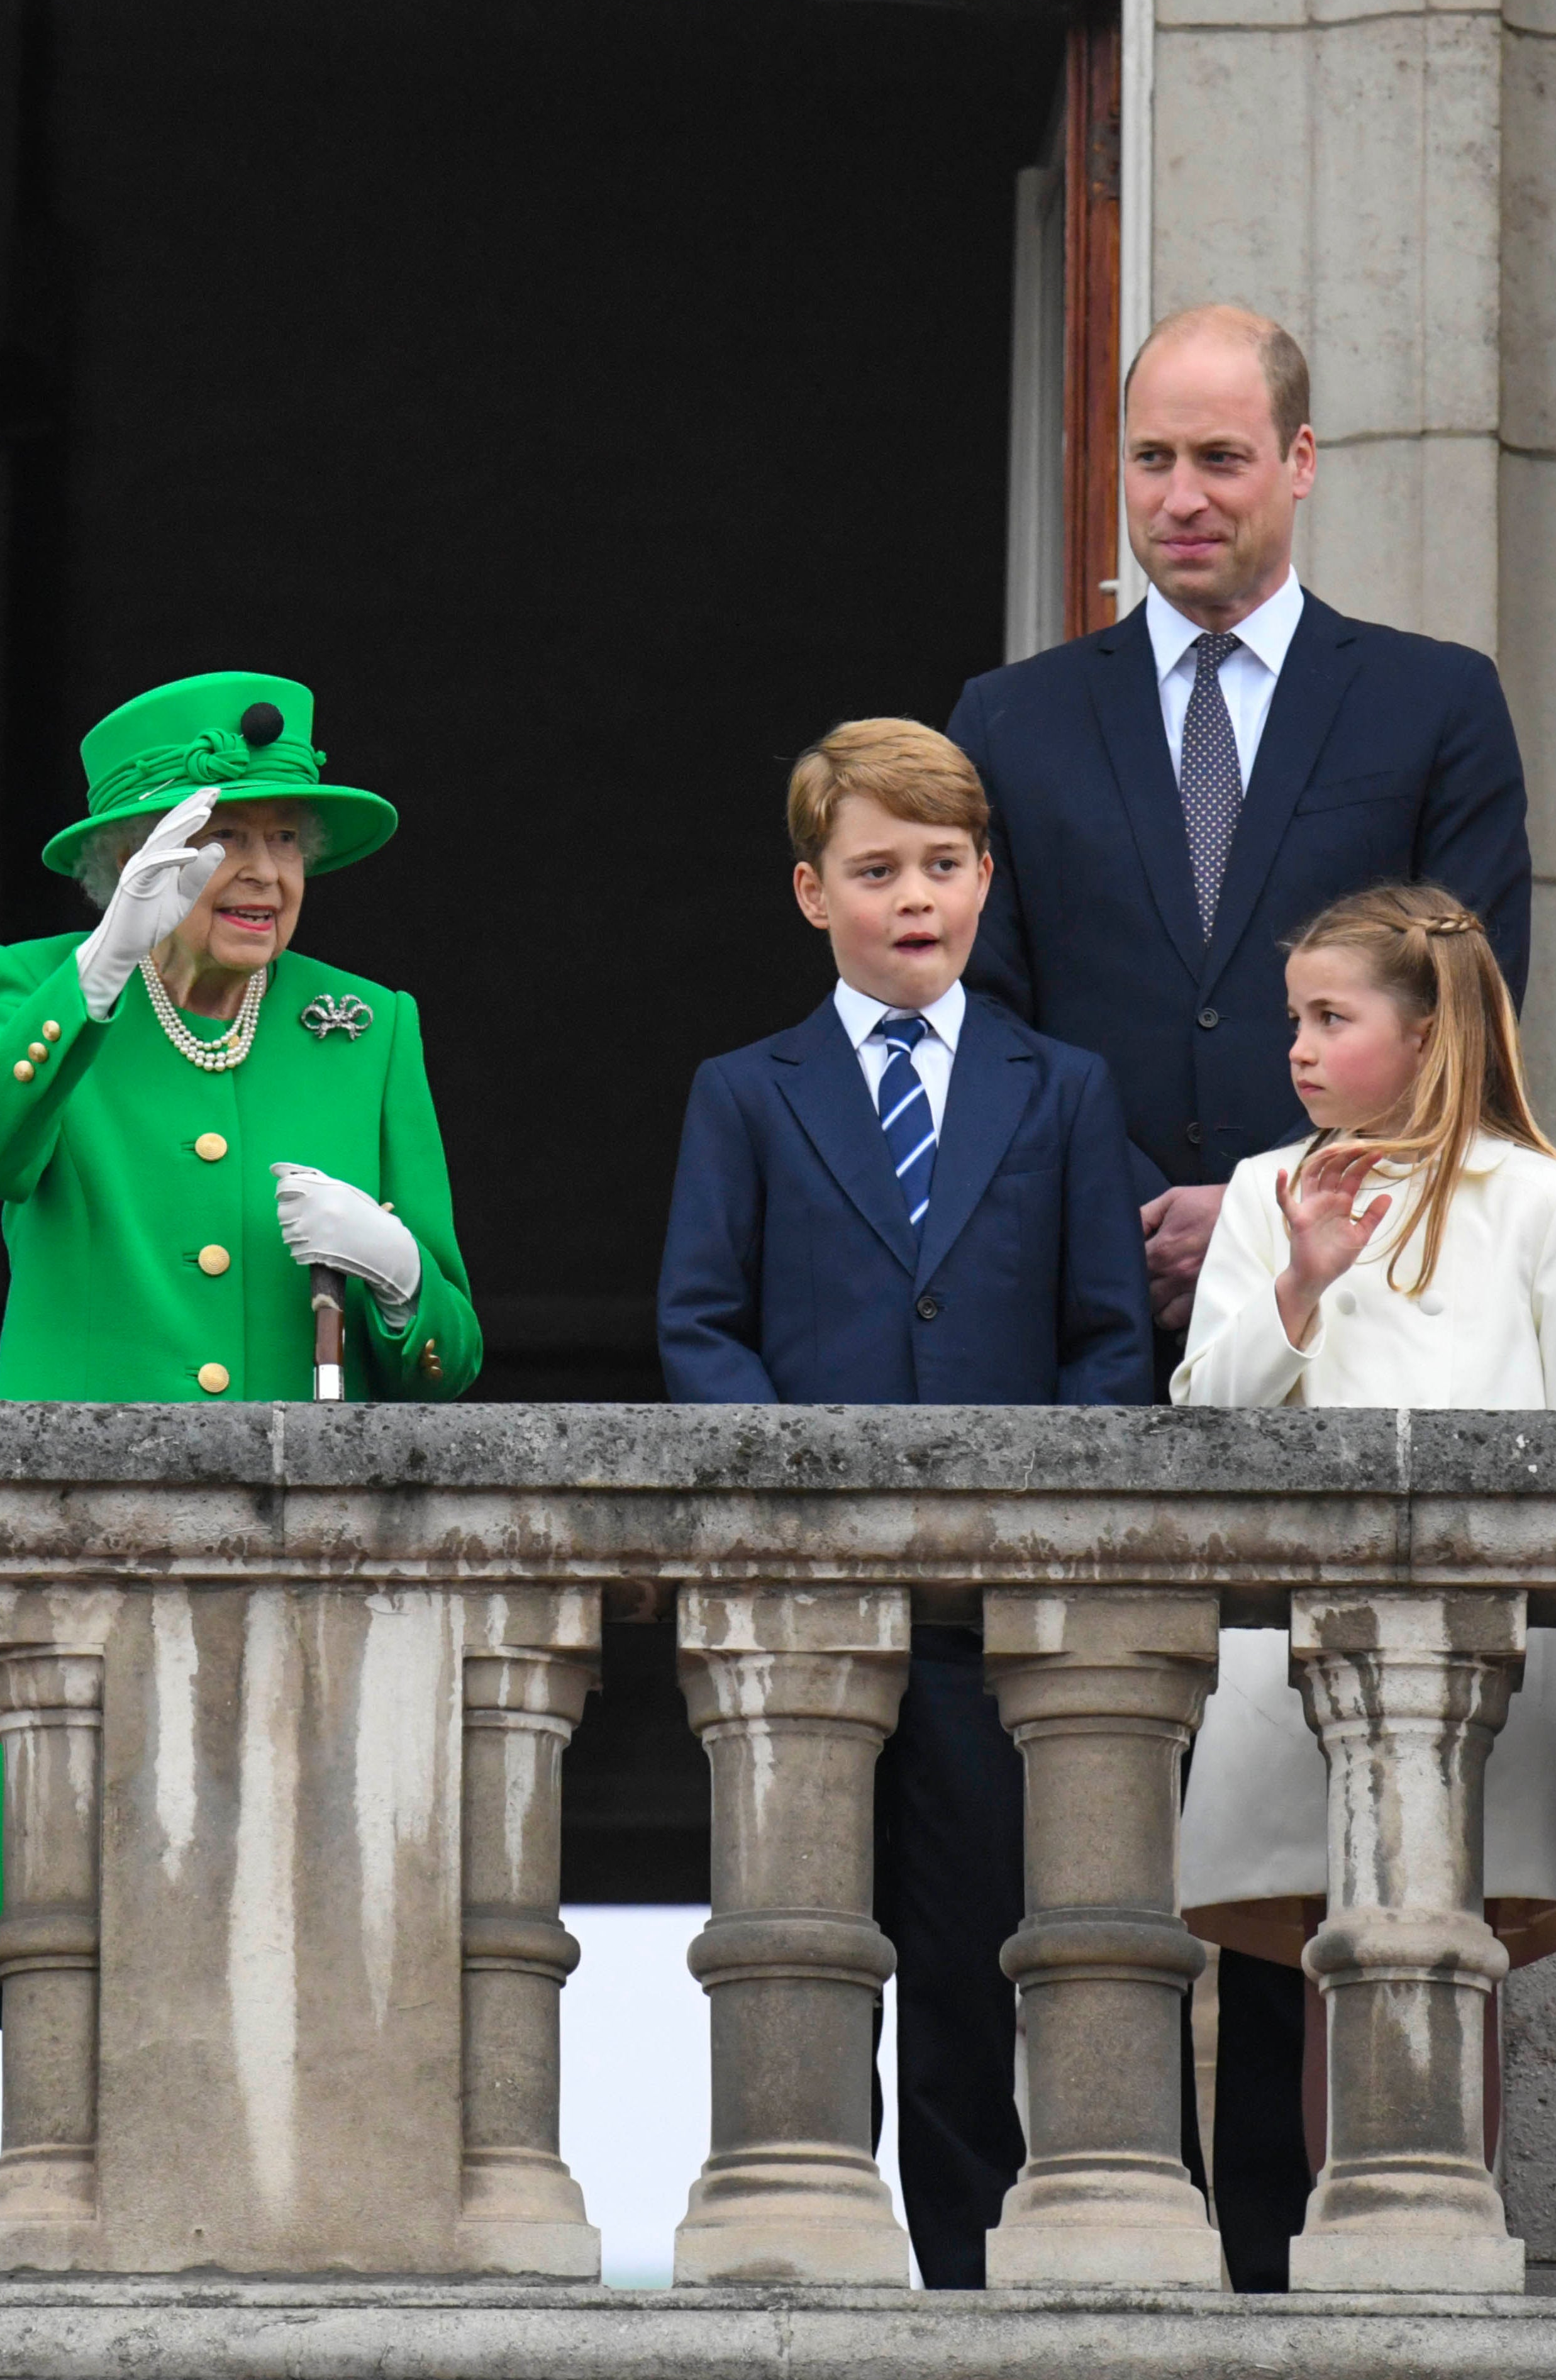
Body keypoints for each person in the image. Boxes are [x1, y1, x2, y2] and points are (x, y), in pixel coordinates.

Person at [943, 302, 1531, 2284]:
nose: (1181, 497)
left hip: (1350, 1315)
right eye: (1151, 460)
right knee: (1079, 1813)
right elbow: (987, 1015)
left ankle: (1292, 2256)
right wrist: (1137, 1206)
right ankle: (1080, 2241)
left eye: (1219, 458)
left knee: (1303, 1800)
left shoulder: (1429, 703)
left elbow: (1471, 996)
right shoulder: (1013, 718)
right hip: (1095, 1324)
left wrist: (1279, 1202)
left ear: (1300, 464)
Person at [0, 671, 477, 2015]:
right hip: (76, 1576)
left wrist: (393, 1271)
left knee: (280, 1993)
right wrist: (102, 964)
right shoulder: (38, 990)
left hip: (288, 1587)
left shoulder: (365, 1026)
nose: (264, 873)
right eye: (222, 839)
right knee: (68, 1977)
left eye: (284, 839)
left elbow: (450, 1352)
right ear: (131, 859)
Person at [657, 718, 1153, 2288]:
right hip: (806, 1615)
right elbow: (701, 1324)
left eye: (942, 863)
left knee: (966, 1957)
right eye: (876, 869)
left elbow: (1107, 1337)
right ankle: (816, 2267)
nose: (914, 896)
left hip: (987, 1621)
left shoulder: (1060, 1088)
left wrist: (1038, 1524)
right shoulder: (745, 1091)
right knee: (800, 1949)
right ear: (814, 892)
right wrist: (795, 1507)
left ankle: (960, 2287)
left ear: (987, 878)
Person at [1170, 886, 1556, 2192]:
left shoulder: (1536, 1196)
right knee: (1335, 1945)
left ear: (1424, 1032)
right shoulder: (1263, 1190)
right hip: (1302, 1636)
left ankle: (1456, 2227)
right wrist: (1300, 1280)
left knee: (1463, 1940)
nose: (1297, 1048)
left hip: (1494, 1637)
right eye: (1293, 1020)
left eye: (1330, 1017)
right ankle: (1345, 2239)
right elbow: (1206, 1420)